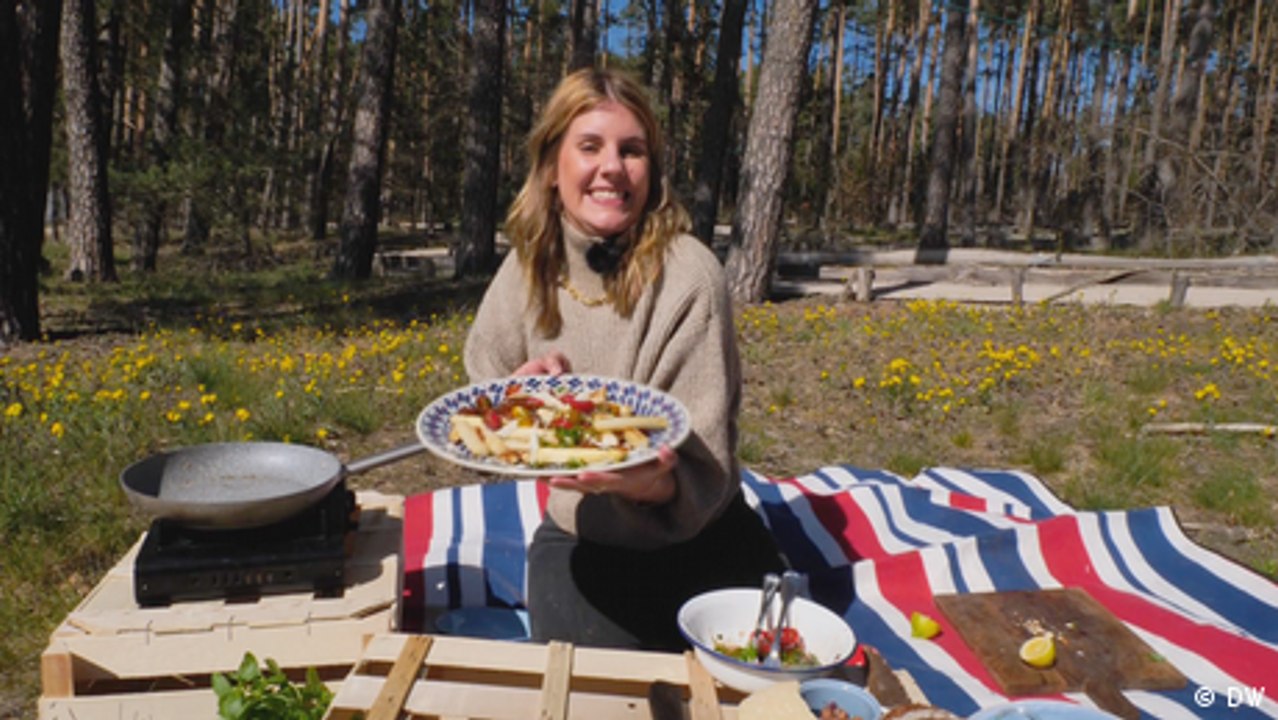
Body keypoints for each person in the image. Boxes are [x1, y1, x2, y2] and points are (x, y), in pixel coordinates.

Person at [463, 67, 785, 651]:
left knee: (764, 681)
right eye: (590, 146)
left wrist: (650, 483)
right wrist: (511, 403)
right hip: (582, 538)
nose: (612, 167)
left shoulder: (689, 278)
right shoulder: (528, 265)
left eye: (631, 150)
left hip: (701, 537)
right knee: (589, 689)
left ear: (651, 170)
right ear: (551, 165)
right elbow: (481, 392)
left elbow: (705, 476)